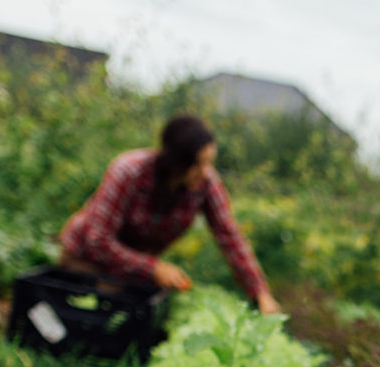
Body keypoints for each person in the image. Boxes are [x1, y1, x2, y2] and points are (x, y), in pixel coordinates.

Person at [59, 114, 282, 315]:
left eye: (209, 162)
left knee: (142, 311)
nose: (206, 171)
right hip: (86, 259)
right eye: (198, 163)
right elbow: (98, 240)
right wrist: (153, 268)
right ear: (176, 162)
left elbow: (229, 235)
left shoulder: (205, 182)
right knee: (107, 308)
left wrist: (260, 292)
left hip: (131, 269)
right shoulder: (128, 171)